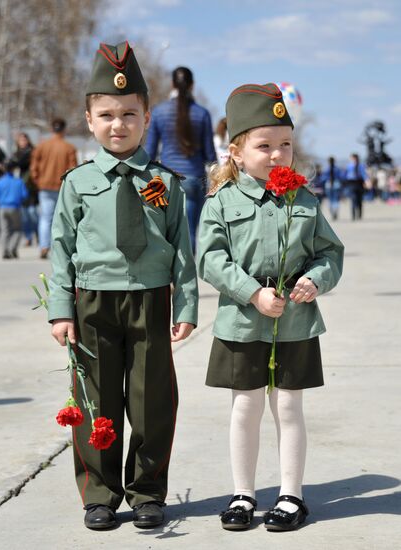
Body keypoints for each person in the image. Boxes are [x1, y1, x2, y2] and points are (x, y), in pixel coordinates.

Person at [48, 41, 198, 531]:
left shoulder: (166, 183)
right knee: (97, 402)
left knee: (152, 399)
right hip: (92, 304)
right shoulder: (77, 182)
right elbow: (60, 247)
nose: (118, 124)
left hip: (151, 301)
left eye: (129, 113)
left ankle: (148, 491)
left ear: (147, 116)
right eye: (106, 114)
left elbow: (182, 249)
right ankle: (100, 494)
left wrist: (187, 305)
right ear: (89, 120)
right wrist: (60, 309)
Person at [197, 83, 344, 532]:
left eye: (286, 144)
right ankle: (243, 494)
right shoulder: (220, 203)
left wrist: (314, 280)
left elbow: (330, 254)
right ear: (237, 153)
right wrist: (251, 292)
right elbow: (210, 257)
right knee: (245, 407)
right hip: (243, 321)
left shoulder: (304, 201)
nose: (278, 154)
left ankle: (290, 495)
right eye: (265, 145)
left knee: (288, 408)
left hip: (296, 323)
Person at [145, 66, 216, 254]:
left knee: (165, 231)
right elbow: (210, 155)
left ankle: (165, 277)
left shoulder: (158, 112)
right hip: (193, 179)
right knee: (190, 232)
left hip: (165, 179)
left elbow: (149, 152)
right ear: (192, 85)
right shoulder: (202, 114)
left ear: (172, 84)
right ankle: (185, 279)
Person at [30, 118, 77, 258]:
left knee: (45, 218)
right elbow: (73, 169)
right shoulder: (69, 148)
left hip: (44, 186)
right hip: (63, 187)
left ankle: (44, 246)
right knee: (64, 219)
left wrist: (38, 181)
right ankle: (61, 249)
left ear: (51, 129)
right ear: (64, 129)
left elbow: (33, 167)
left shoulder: (42, 146)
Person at [0, 159, 28, 259]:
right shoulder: (19, 181)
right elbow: (24, 195)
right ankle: (12, 248)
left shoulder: (0, 181)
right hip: (15, 207)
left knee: (4, 231)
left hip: (2, 208)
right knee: (17, 229)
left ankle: (4, 250)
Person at [11, 133, 38, 245]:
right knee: (24, 215)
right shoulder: (16, 154)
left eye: (24, 140)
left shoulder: (33, 152)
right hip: (21, 186)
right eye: (20, 140)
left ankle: (38, 234)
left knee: (32, 213)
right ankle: (28, 237)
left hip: (31, 186)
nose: (23, 142)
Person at [343, 153, 367, 220]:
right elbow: (345, 175)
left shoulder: (361, 166)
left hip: (359, 183)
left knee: (359, 200)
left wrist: (367, 181)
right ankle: (353, 215)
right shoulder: (349, 166)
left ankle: (359, 214)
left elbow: (364, 174)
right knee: (353, 199)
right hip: (351, 183)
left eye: (355, 158)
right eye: (352, 158)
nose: (354, 160)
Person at [321, 156, 343, 220]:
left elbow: (323, 178)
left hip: (328, 184)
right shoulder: (337, 169)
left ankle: (332, 213)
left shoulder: (326, 169)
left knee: (330, 200)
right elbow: (341, 177)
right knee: (336, 199)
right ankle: (335, 211)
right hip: (336, 184)